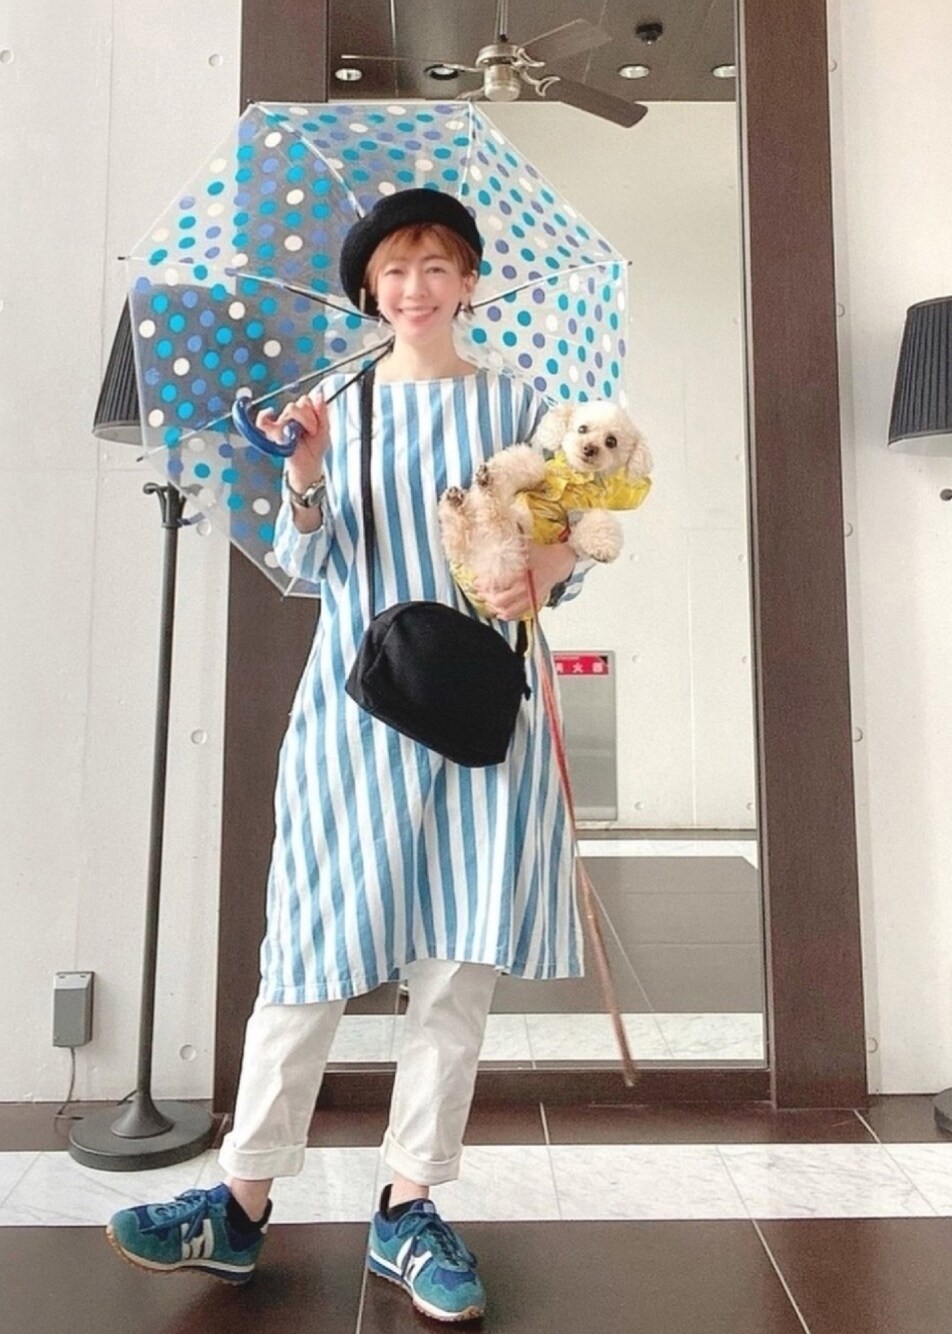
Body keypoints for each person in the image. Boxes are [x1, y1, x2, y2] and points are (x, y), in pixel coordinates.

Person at [107, 188, 591, 1323]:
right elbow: (309, 562)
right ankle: (240, 1200)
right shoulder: (334, 403)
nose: (415, 287)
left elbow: (571, 538)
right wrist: (307, 470)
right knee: (308, 951)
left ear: (468, 282)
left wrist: (549, 566)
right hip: (353, 708)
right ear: (369, 289)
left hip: (478, 712)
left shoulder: (525, 406)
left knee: (457, 964)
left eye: (437, 266)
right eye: (395, 270)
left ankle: (409, 1204)